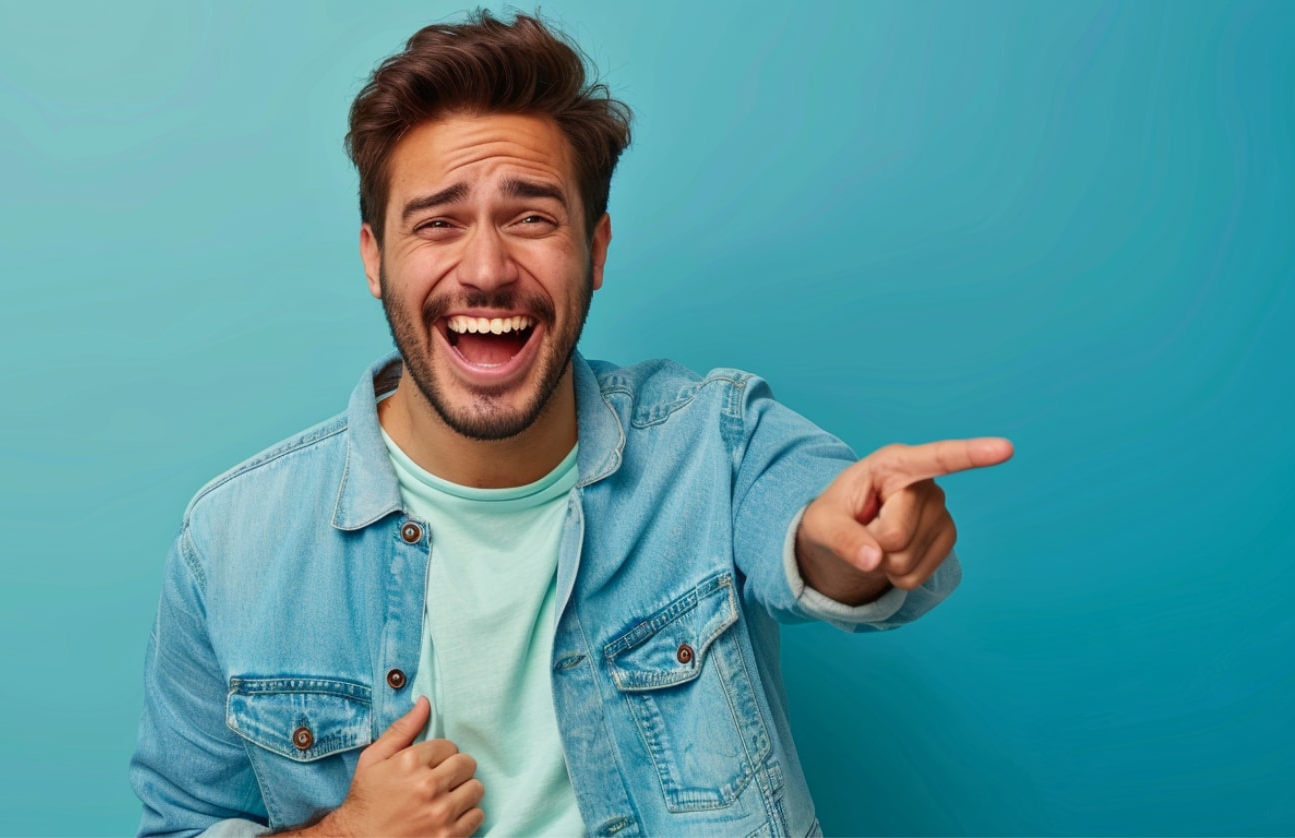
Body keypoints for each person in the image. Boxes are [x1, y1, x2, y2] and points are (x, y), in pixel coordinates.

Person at [130, 10, 1012, 837]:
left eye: (531, 219)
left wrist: (851, 548)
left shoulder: (715, 443)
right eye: (438, 223)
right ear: (375, 258)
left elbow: (810, 525)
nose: (485, 268)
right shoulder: (231, 546)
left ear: (595, 250)